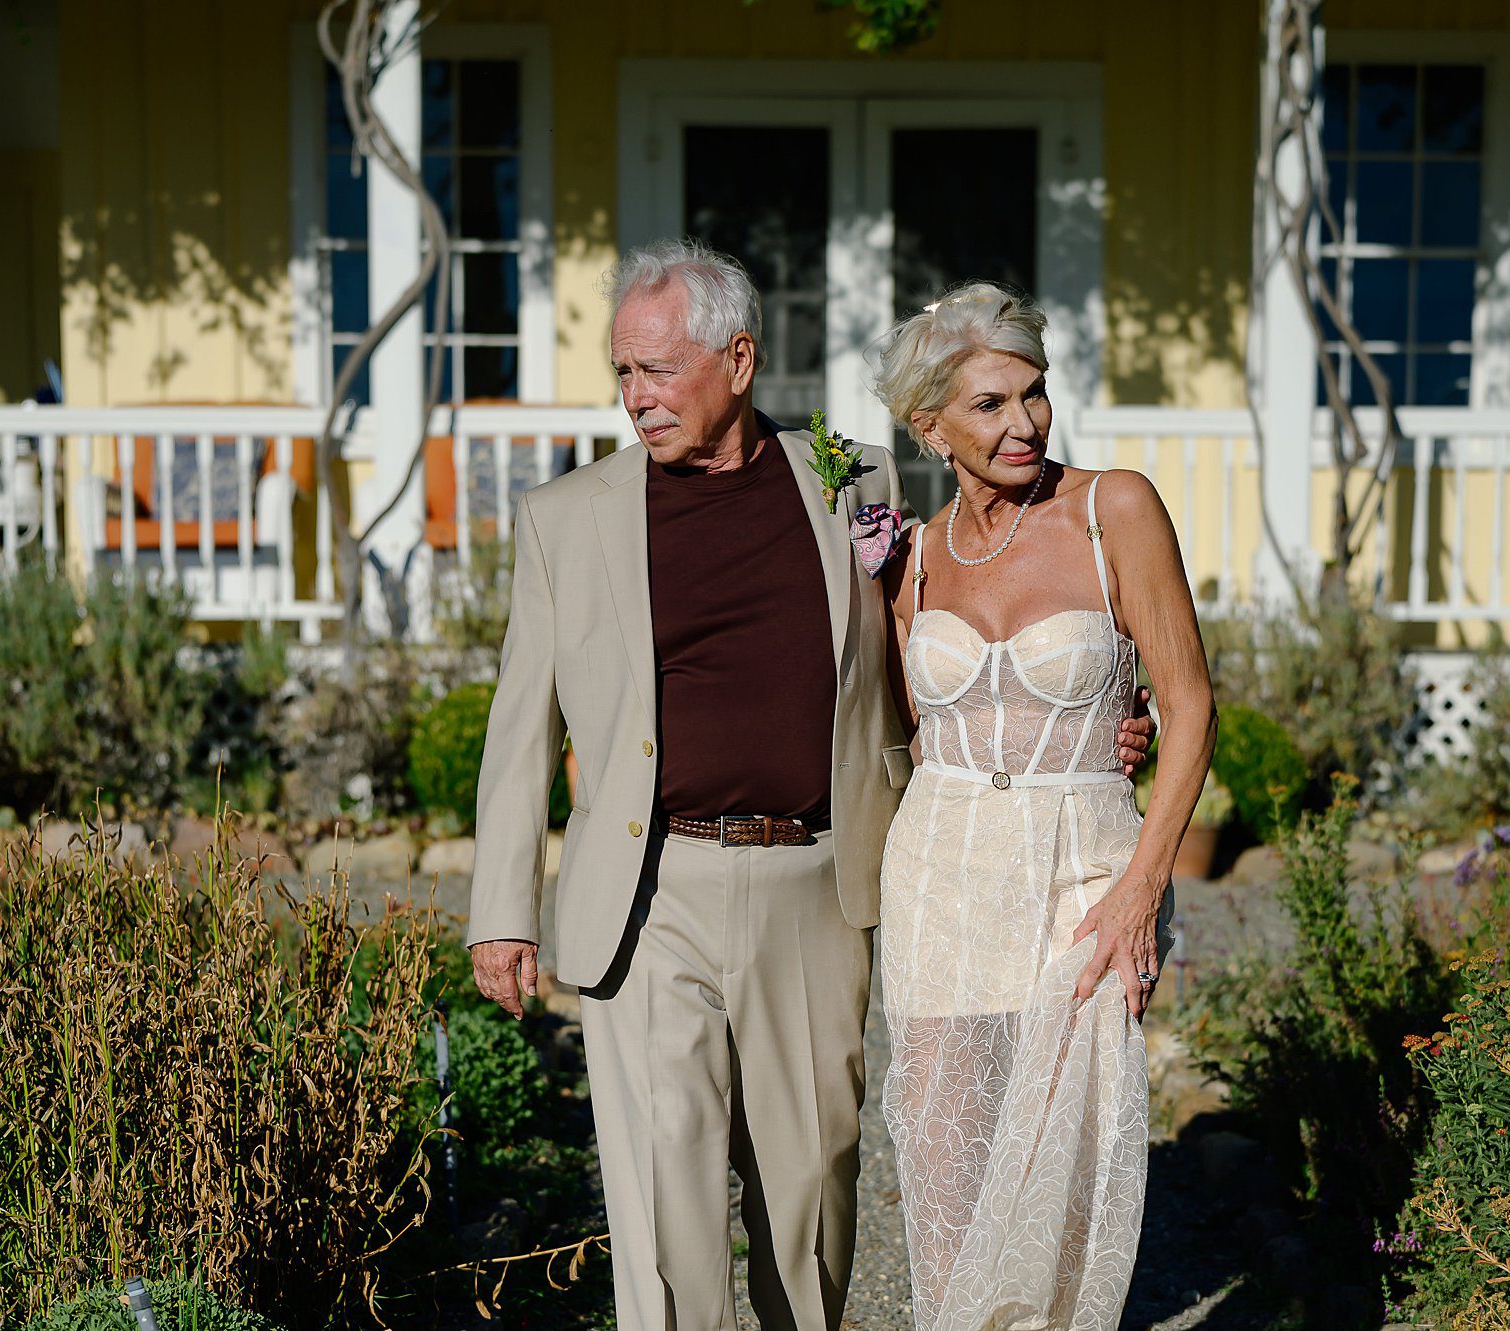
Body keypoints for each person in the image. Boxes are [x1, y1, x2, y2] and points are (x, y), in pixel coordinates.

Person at [465, 241, 1153, 1331]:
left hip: (815, 876)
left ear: (737, 359)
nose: (634, 397)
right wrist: (500, 912)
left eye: (656, 370)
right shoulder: (570, 517)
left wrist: (1091, 716)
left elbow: (926, 644)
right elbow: (518, 726)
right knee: (665, 1192)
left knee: (809, 1191)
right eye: (622, 373)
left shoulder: (854, 479)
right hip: (648, 890)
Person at [873, 283, 1216, 1330]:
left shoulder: (1114, 508)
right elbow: (898, 725)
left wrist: (1141, 883)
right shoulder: (914, 553)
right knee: (942, 1145)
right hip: (936, 862)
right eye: (988, 405)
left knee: (1065, 1146)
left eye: (1032, 394)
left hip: (1084, 866)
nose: (1022, 423)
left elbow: (1190, 700)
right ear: (927, 425)